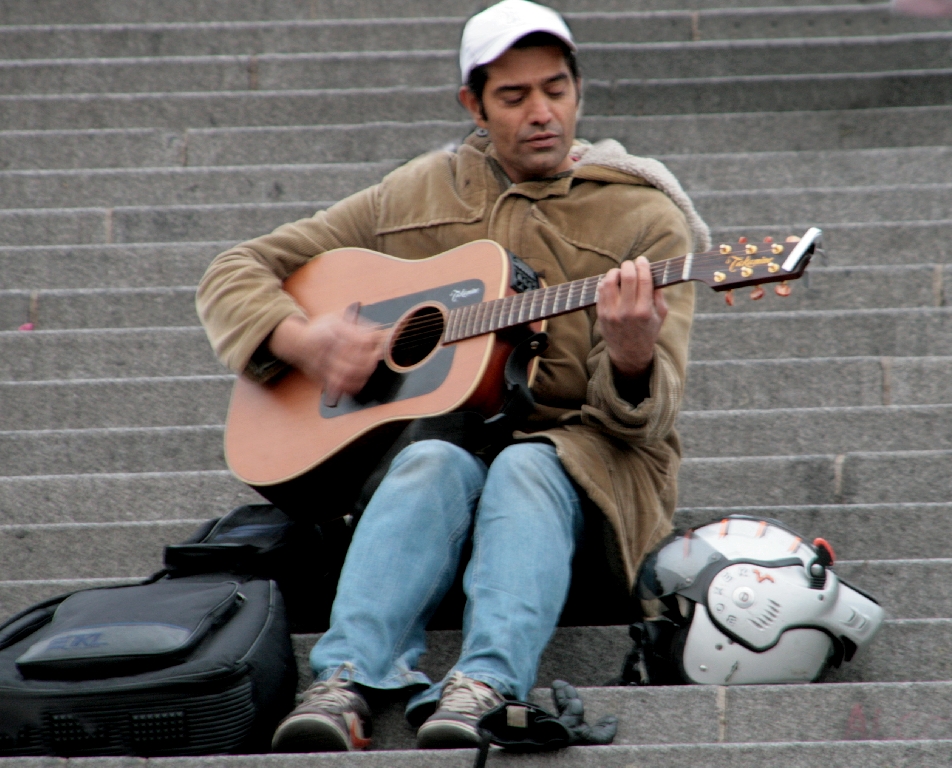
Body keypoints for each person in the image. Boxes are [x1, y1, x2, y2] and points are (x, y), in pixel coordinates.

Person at [196, 0, 710, 752]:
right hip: (439, 489)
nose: (542, 112)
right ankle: (342, 681)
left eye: (557, 89)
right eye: (514, 96)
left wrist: (632, 357)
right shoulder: (415, 196)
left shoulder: (643, 219)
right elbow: (232, 269)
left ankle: (486, 685)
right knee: (433, 457)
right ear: (472, 104)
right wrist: (305, 343)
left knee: (531, 463)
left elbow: (645, 420)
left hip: (590, 490)